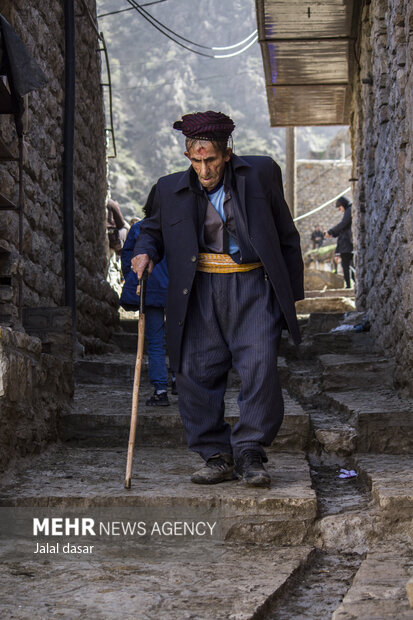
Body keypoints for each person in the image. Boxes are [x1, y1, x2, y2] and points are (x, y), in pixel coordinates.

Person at [132, 111, 304, 488]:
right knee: (193, 371)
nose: (204, 170)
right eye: (196, 161)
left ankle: (250, 452)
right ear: (187, 157)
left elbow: (286, 232)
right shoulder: (168, 189)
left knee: (259, 366)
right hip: (198, 290)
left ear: (227, 154)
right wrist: (144, 252)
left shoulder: (260, 174)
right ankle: (215, 453)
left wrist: (291, 296)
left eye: (211, 160)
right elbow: (152, 231)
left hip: (253, 286)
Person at [120, 186, 176, 405]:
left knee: (154, 341)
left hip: (150, 291)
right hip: (176, 292)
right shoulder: (176, 229)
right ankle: (178, 379)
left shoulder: (138, 229)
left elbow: (129, 262)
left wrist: (135, 282)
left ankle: (160, 391)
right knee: (177, 338)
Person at [325, 196, 354, 288]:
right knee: (346, 266)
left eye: (340, 208)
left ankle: (349, 286)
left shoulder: (349, 211)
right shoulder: (348, 211)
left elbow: (343, 225)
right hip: (346, 245)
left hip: (348, 245)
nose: (341, 210)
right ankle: (349, 285)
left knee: (347, 266)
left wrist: (331, 231)